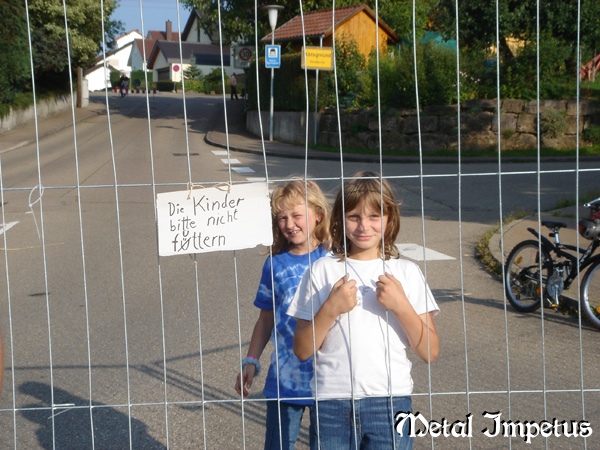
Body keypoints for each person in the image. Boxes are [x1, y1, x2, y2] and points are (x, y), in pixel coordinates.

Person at [288, 171, 440, 450]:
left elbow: (429, 351)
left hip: (391, 401)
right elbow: (301, 349)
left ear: (390, 218)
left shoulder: (407, 272)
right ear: (339, 219)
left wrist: (401, 305)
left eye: (374, 216)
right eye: (354, 216)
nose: (363, 226)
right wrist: (330, 308)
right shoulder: (322, 270)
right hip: (331, 402)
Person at [235, 179, 331, 450]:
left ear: (318, 215)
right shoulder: (275, 264)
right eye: (282, 218)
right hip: (285, 381)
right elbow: (265, 319)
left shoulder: (336, 258)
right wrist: (251, 359)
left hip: (330, 379)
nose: (289, 224)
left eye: (297, 215)